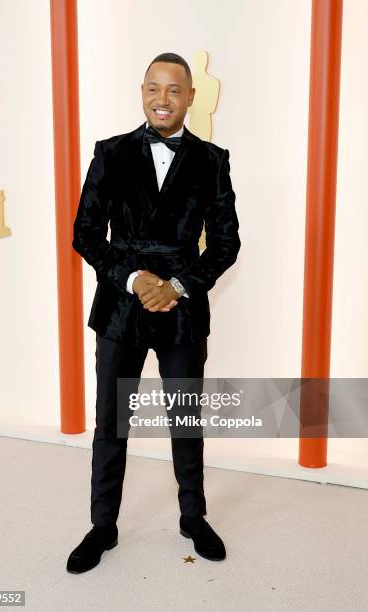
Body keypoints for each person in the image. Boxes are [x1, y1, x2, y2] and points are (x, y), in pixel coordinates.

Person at [67, 52, 241, 574]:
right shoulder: (110, 153)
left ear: (191, 97)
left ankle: (193, 516)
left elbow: (227, 244)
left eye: (173, 90)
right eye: (153, 89)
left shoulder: (212, 160)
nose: (162, 99)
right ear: (141, 93)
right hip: (121, 306)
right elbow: (85, 234)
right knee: (110, 421)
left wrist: (178, 286)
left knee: (185, 420)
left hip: (181, 308)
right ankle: (103, 526)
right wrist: (134, 279)